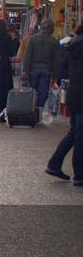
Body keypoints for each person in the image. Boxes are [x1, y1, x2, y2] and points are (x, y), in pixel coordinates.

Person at [46, 22, 83, 186]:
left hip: (74, 93)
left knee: (75, 132)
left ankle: (54, 164)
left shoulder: (72, 43)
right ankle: (80, 175)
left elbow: (64, 69)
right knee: (80, 136)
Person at [23, 18, 61, 121]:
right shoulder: (55, 42)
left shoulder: (33, 39)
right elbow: (57, 61)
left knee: (32, 91)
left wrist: (25, 71)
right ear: (52, 28)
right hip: (46, 70)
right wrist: (55, 77)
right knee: (43, 92)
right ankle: (38, 115)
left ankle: (30, 112)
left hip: (33, 69)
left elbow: (28, 56)